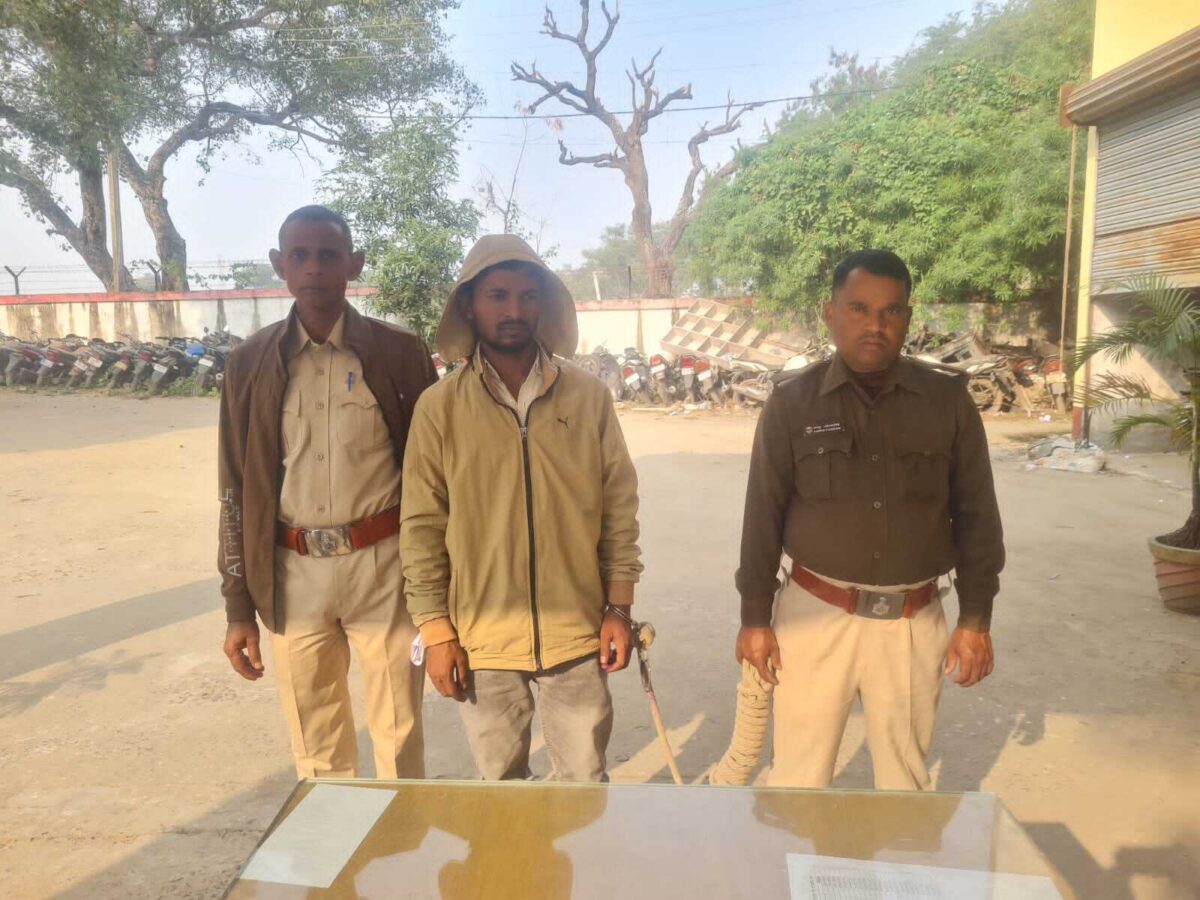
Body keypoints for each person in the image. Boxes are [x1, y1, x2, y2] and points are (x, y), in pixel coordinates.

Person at [734, 249, 1004, 790]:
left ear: (908, 317)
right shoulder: (793, 402)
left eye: (890, 311)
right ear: (830, 313)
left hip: (911, 622)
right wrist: (755, 617)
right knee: (797, 785)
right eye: (858, 309)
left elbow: (977, 514)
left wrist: (976, 618)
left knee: (904, 788)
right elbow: (763, 513)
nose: (875, 325)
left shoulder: (947, 401)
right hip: (814, 619)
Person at [400, 234, 643, 782]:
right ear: (469, 305)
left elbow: (619, 506)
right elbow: (421, 527)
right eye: (498, 296)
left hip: (576, 629)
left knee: (584, 786)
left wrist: (620, 607)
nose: (514, 310)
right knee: (501, 791)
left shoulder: (587, 396)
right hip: (483, 636)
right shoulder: (439, 408)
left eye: (528, 296)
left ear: (543, 304)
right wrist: (437, 632)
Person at [218, 205, 438, 779]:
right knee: (317, 749)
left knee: (398, 733)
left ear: (353, 264)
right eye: (300, 255)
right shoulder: (249, 363)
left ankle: (403, 833)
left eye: (328, 255)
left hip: (385, 569)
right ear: (280, 265)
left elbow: (438, 473)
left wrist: (442, 590)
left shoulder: (399, 353)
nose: (313, 268)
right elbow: (234, 488)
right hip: (293, 575)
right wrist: (239, 607)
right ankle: (333, 838)